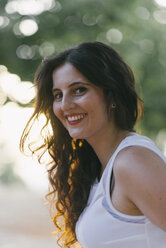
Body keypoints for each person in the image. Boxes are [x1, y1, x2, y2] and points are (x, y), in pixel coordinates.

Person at [20, 41, 166, 248]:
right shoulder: (101, 168)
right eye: (58, 95)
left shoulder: (133, 161)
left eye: (79, 90)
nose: (66, 105)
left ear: (111, 94)